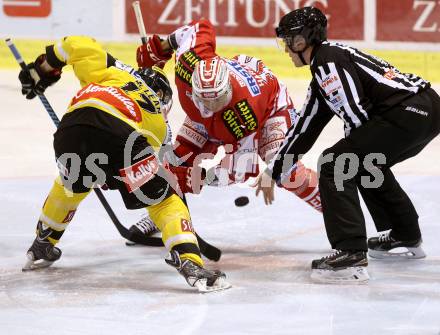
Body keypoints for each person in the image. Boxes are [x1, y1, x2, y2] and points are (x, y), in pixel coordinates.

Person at [18, 36, 230, 292]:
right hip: (121, 135)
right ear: (162, 95)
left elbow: (76, 44)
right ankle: (189, 261)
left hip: (69, 131)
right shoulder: (159, 122)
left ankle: (43, 242)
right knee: (164, 200)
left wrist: (43, 68)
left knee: (69, 187)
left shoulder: (110, 72)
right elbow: (138, 176)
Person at [255, 6, 440, 283]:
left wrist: (351, 153)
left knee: (335, 163)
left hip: (409, 111)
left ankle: (350, 252)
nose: (285, 49)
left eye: (288, 41)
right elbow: (306, 125)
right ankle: (406, 235)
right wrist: (275, 169)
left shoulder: (327, 60)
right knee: (364, 163)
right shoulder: (327, 64)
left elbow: (358, 115)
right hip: (424, 110)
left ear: (302, 40)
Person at [130, 19, 323, 239]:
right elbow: (198, 27)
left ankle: (336, 211)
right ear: (193, 86)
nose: (211, 107)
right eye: (206, 101)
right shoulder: (188, 63)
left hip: (270, 108)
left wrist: (199, 178)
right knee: (175, 161)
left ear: (228, 89)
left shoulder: (244, 114)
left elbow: (240, 170)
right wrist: (161, 49)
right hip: (221, 108)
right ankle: (165, 214)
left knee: (287, 172)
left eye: (217, 100)